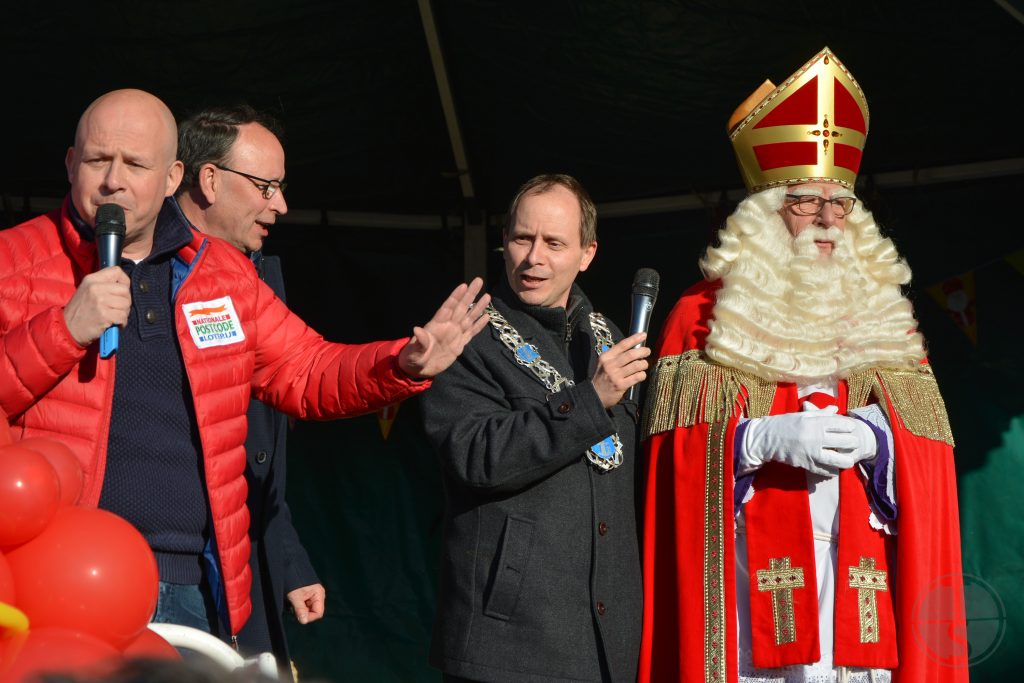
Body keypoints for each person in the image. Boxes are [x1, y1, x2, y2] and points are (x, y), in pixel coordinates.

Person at [0, 89, 489, 649]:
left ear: (170, 177)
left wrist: (400, 361)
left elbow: (307, 371)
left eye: (135, 164)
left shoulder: (223, 276)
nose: (113, 180)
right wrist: (64, 330)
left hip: (189, 587)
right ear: (69, 163)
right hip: (54, 578)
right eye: (96, 160)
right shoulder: (11, 262)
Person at [638, 48, 967, 682]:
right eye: (802, 202)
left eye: (837, 204)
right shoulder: (701, 313)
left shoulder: (884, 315)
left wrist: (881, 440)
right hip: (746, 593)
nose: (824, 219)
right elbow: (671, 471)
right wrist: (756, 440)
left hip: (863, 587)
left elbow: (933, 468)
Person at [421, 174, 649, 683]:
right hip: (510, 641)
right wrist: (591, 401)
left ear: (587, 253)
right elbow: (476, 458)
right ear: (503, 240)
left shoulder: (612, 340)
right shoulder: (465, 336)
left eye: (554, 243)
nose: (533, 258)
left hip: (607, 640)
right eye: (522, 238)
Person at [174, 104, 321, 673]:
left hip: (246, 578)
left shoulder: (258, 279)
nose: (280, 205)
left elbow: (252, 452)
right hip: (168, 580)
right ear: (208, 180)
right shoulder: (142, 274)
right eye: (267, 187)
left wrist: (287, 561)